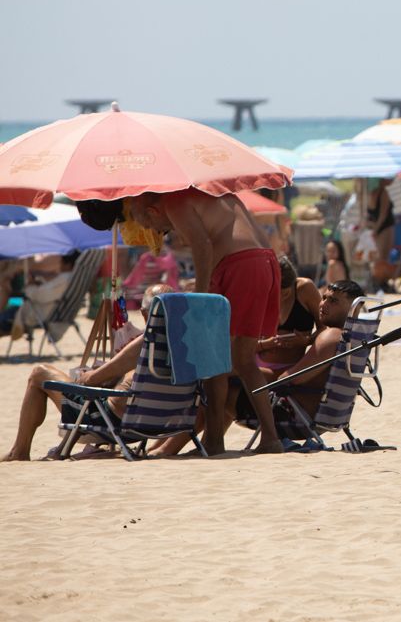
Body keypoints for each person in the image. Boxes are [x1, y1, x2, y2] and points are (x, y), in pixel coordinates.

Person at [127, 188, 283, 455]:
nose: (158, 232)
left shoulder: (174, 203)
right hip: (265, 261)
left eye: (150, 225)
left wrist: (200, 294)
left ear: (153, 211)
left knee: (213, 360)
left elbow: (203, 245)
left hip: (239, 265)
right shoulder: (215, 193)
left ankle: (214, 440)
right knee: (243, 360)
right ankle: (271, 438)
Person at [1, 284, 173, 462]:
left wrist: (90, 375)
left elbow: (91, 380)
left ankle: (19, 451)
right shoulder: (184, 346)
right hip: (160, 423)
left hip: (111, 421)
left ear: (145, 313)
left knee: (39, 374)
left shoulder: (144, 344)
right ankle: (61, 449)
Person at [249, 279, 366, 420]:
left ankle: (216, 441)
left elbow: (288, 380)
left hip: (295, 413)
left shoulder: (331, 336)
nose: (323, 305)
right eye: (323, 298)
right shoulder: (356, 337)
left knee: (228, 386)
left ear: (356, 308)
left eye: (333, 301)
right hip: (332, 414)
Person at [255, 256, 324, 378]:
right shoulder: (261, 290)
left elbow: (325, 328)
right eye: (274, 294)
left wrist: (308, 341)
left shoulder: (305, 289)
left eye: (285, 293)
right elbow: (243, 341)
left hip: (290, 370)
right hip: (257, 363)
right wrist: (267, 344)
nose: (280, 298)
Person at [0, 252, 77, 340]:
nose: (59, 266)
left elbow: (41, 296)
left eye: (61, 262)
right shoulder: (73, 279)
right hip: (53, 314)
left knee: (4, 319)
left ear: (67, 264)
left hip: (38, 315)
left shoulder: (65, 278)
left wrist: (30, 286)